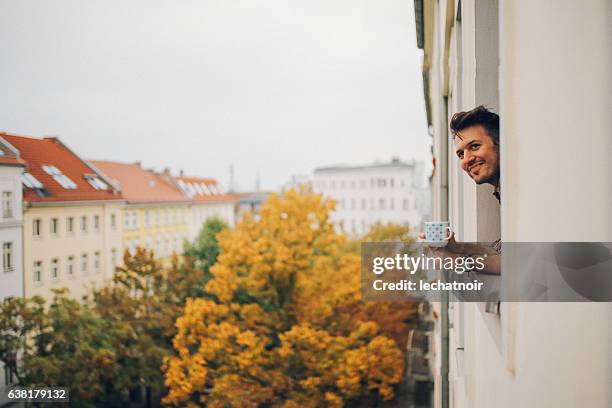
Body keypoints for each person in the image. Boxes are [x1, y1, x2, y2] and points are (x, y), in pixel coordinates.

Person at [421, 105, 501, 275]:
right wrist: (458, 248)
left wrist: (456, 260)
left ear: (500, 143)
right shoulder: (504, 192)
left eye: (474, 146)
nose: (467, 160)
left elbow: (520, 262)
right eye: (460, 154)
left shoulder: (522, 193)